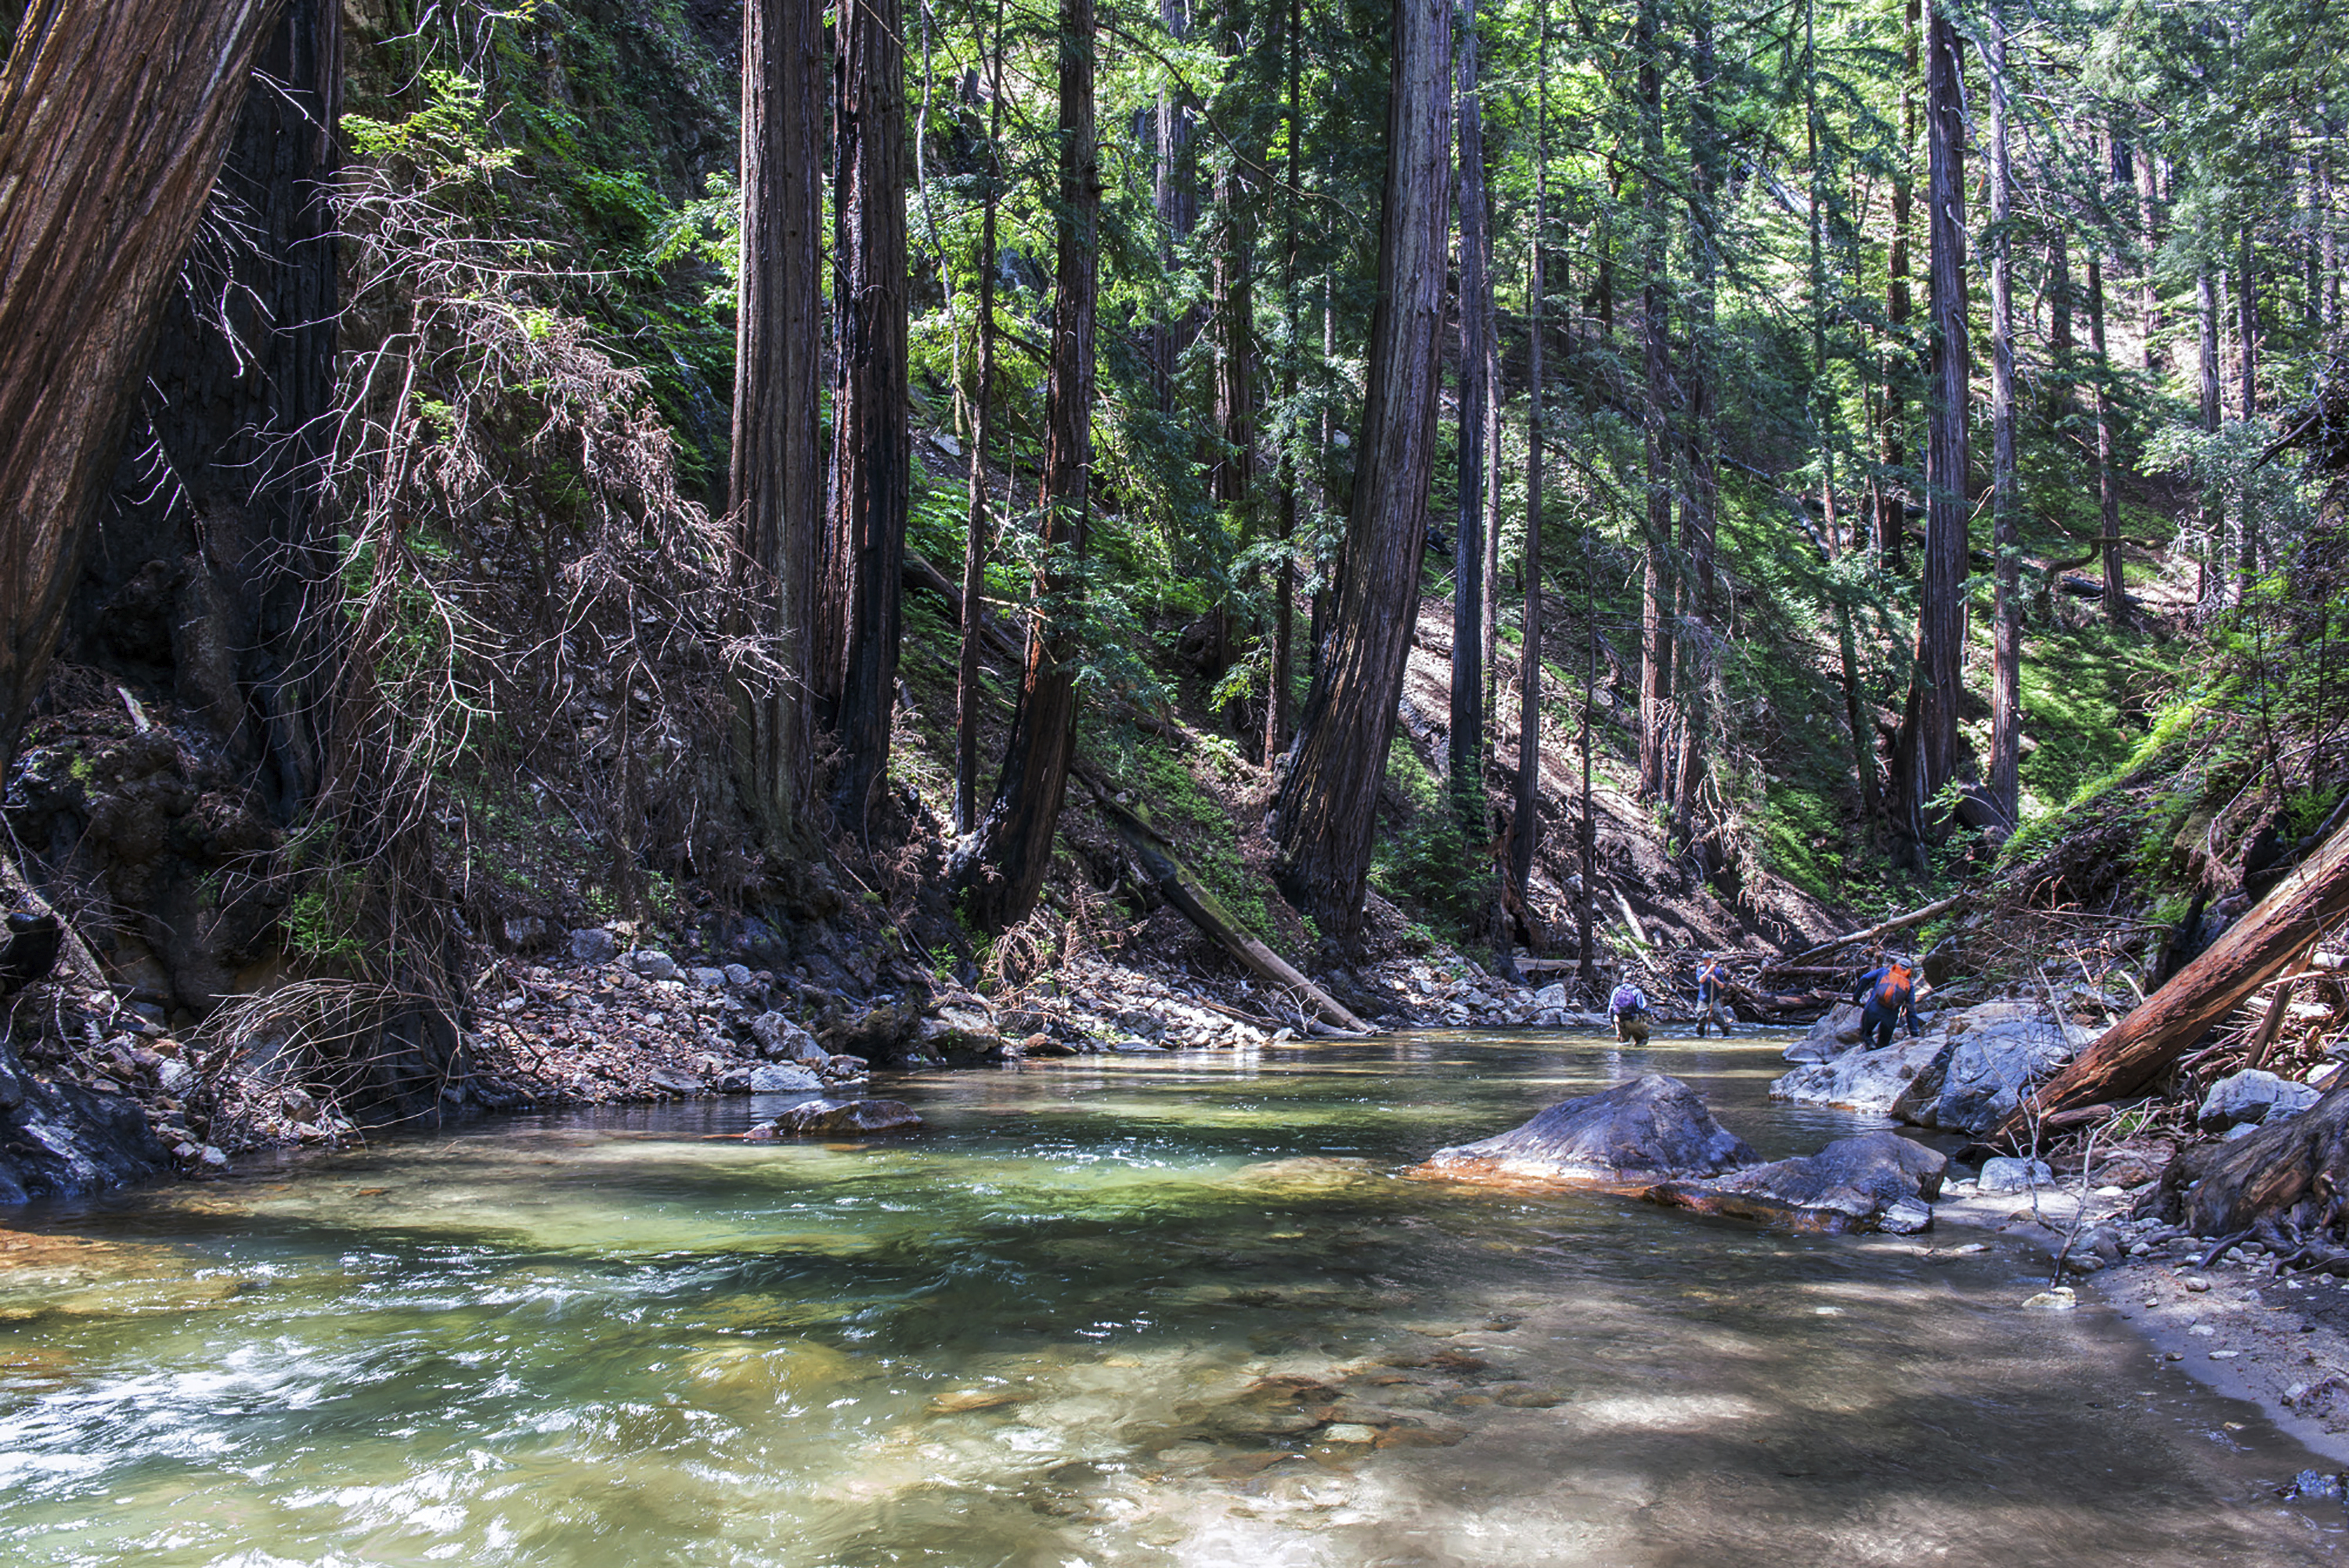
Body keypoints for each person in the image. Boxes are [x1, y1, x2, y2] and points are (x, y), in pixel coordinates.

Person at [1850, 953, 1922, 1051]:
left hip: (1873, 1009)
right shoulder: (1909, 985)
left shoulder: (1884, 972)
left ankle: (1869, 1044)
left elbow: (1865, 978)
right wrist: (1914, 1033)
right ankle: (1879, 1050)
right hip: (1890, 1016)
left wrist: (1856, 997)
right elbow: (1911, 1009)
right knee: (1884, 1044)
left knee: (1865, 1033)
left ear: (1895, 965)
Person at [1694, 953, 1732, 1037]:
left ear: (1711, 960)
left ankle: (1726, 1035)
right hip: (1703, 998)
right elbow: (1701, 980)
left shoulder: (1718, 971)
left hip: (1714, 998)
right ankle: (1700, 1036)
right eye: (1704, 960)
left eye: (1707, 959)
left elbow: (1722, 986)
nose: (1706, 961)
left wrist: (1715, 980)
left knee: (1719, 1018)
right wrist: (1708, 971)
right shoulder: (1701, 969)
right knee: (1701, 1018)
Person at [1608, 979, 1651, 1044]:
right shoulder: (1636, 991)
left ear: (1623, 980)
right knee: (1642, 1039)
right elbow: (1643, 1007)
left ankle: (1622, 1054)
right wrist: (1647, 1018)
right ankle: (1638, 1053)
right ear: (1632, 981)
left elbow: (1611, 1009)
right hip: (1633, 1020)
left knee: (1623, 1042)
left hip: (1619, 1019)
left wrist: (1613, 1022)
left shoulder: (1616, 990)